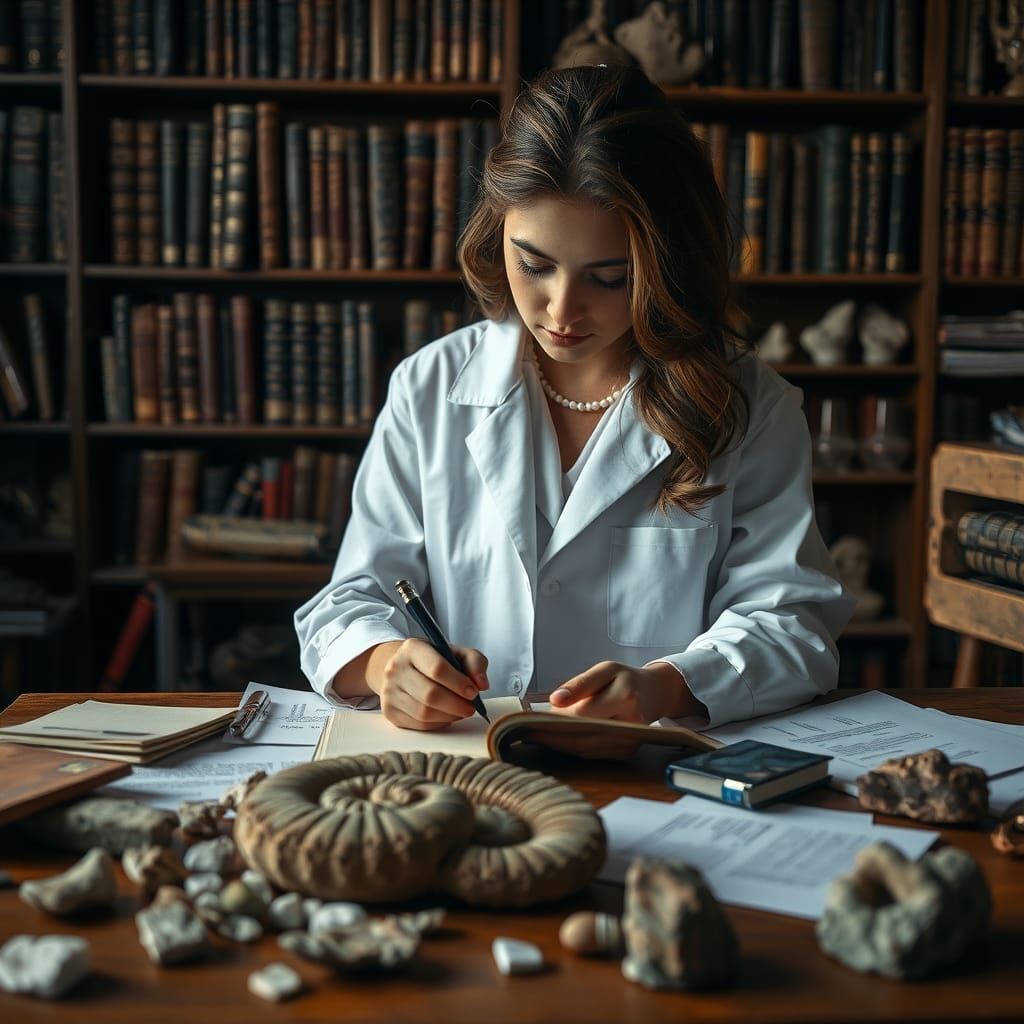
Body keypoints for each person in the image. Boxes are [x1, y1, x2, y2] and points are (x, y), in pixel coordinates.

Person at [295, 64, 854, 749]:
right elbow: (349, 602)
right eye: (533, 265)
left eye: (609, 277)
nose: (561, 312)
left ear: (666, 261)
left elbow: (793, 621)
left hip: (656, 773)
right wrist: (388, 665)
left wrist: (666, 685)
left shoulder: (748, 405)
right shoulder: (431, 387)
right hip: (467, 769)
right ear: (497, 231)